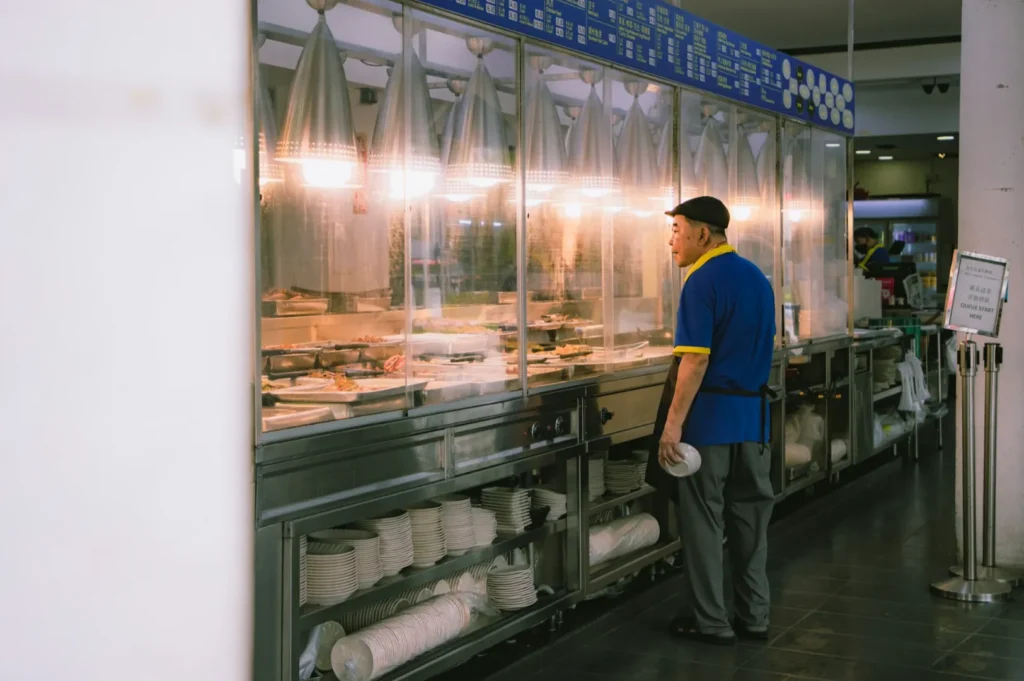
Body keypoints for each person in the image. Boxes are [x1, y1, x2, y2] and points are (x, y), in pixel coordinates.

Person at [645, 196, 776, 646]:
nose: (671, 241)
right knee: (750, 524)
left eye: (678, 230)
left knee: (703, 524)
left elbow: (695, 362)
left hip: (710, 424)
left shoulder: (701, 281)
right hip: (754, 422)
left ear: (703, 234)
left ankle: (712, 622)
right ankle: (755, 616)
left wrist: (672, 426)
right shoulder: (758, 279)